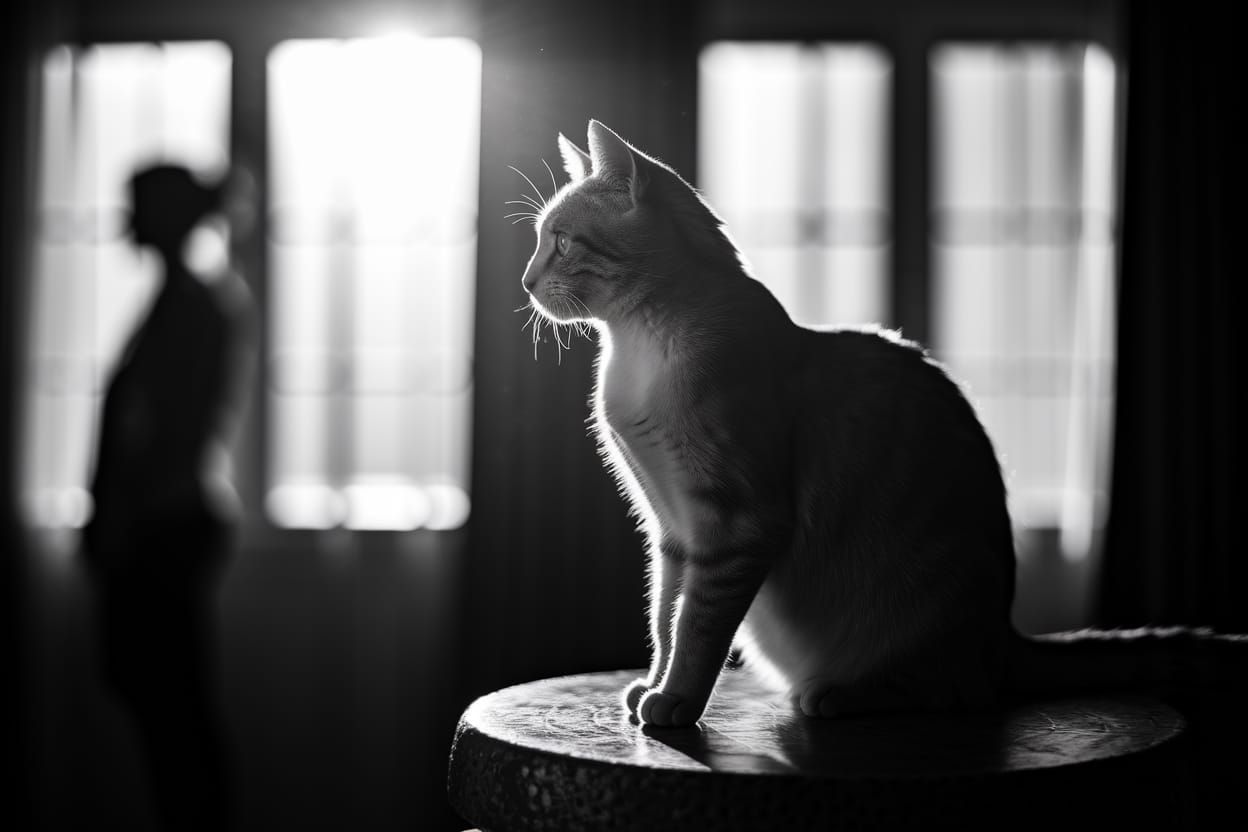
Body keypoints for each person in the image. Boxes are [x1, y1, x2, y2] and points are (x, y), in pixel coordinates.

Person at [81, 163, 255, 832]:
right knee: (170, 707)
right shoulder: (185, 302)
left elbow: (171, 431)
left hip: (162, 526)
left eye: (138, 204)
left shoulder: (192, 307)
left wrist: (119, 517)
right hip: (162, 522)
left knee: (173, 712)